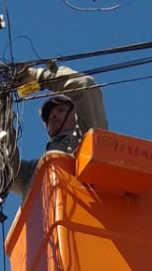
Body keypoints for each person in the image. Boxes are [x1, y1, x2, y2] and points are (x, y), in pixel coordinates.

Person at [11, 65, 108, 198]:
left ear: (76, 115)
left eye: (61, 110)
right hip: (51, 217)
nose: (53, 115)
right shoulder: (36, 169)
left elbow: (86, 87)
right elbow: (7, 169)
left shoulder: (88, 139)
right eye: (49, 115)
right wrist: (1, 115)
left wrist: (39, 77)